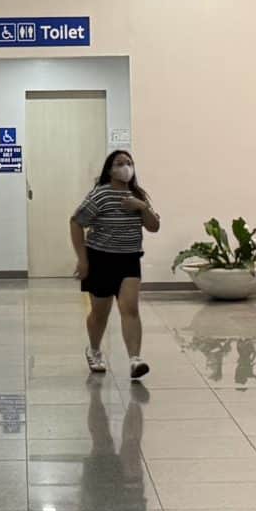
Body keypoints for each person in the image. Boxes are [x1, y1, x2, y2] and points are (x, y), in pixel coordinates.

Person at [70, 149, 159, 380]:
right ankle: (94, 350)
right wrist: (82, 259)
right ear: (110, 169)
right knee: (100, 313)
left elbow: (153, 226)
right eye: (120, 163)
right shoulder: (100, 195)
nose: (126, 167)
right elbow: (76, 222)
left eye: (129, 163)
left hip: (129, 259)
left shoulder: (137, 195)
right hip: (100, 258)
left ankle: (135, 359)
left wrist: (142, 207)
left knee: (130, 309)